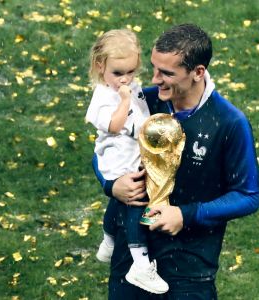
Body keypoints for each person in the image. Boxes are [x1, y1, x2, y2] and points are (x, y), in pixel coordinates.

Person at [92, 24, 259, 299]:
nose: (155, 79)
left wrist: (186, 214)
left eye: (167, 73)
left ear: (198, 72)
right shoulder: (144, 102)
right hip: (132, 259)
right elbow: (103, 152)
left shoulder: (229, 123)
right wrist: (111, 185)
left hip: (189, 269)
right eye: (153, 68)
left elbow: (248, 196)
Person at [86, 29, 169, 294]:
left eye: (131, 72)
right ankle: (140, 263)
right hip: (119, 160)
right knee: (136, 203)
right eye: (118, 73)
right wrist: (124, 99)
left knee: (118, 204)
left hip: (131, 152)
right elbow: (114, 124)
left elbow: (140, 117)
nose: (126, 79)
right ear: (101, 66)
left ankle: (109, 240)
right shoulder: (103, 97)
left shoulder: (130, 87)